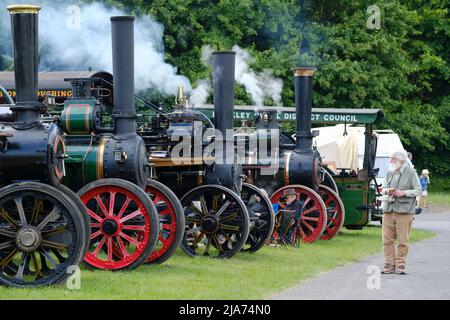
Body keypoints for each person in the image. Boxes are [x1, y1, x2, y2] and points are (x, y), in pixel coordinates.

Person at [381, 150, 421, 275]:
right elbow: (383, 188)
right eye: (391, 158)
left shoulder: (411, 172)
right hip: (388, 210)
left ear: (401, 160)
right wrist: (387, 191)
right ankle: (389, 265)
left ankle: (400, 266)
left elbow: (418, 190)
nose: (390, 161)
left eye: (392, 158)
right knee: (387, 240)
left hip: (404, 212)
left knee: (403, 241)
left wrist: (404, 193)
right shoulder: (389, 172)